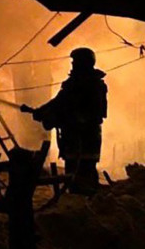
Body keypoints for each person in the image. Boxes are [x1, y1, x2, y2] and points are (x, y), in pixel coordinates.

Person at [20, 47, 107, 194]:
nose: (72, 64)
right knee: (78, 171)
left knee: (82, 172)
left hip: (82, 137)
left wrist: (51, 116)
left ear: (83, 63)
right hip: (81, 137)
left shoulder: (85, 85)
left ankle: (83, 201)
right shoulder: (81, 83)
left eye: (75, 61)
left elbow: (70, 107)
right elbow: (58, 102)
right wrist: (40, 111)